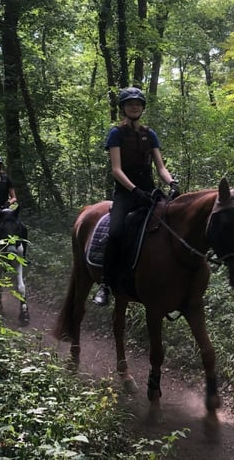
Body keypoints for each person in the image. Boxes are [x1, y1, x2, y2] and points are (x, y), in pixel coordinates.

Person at [93, 87, 179, 306]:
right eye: (130, 103)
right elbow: (116, 169)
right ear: (123, 107)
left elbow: (160, 167)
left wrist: (171, 182)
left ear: (142, 108)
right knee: (115, 232)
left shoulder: (150, 134)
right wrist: (133, 190)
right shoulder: (116, 133)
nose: (134, 107)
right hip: (126, 193)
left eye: (138, 104)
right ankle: (105, 284)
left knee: (172, 225)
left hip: (149, 193)